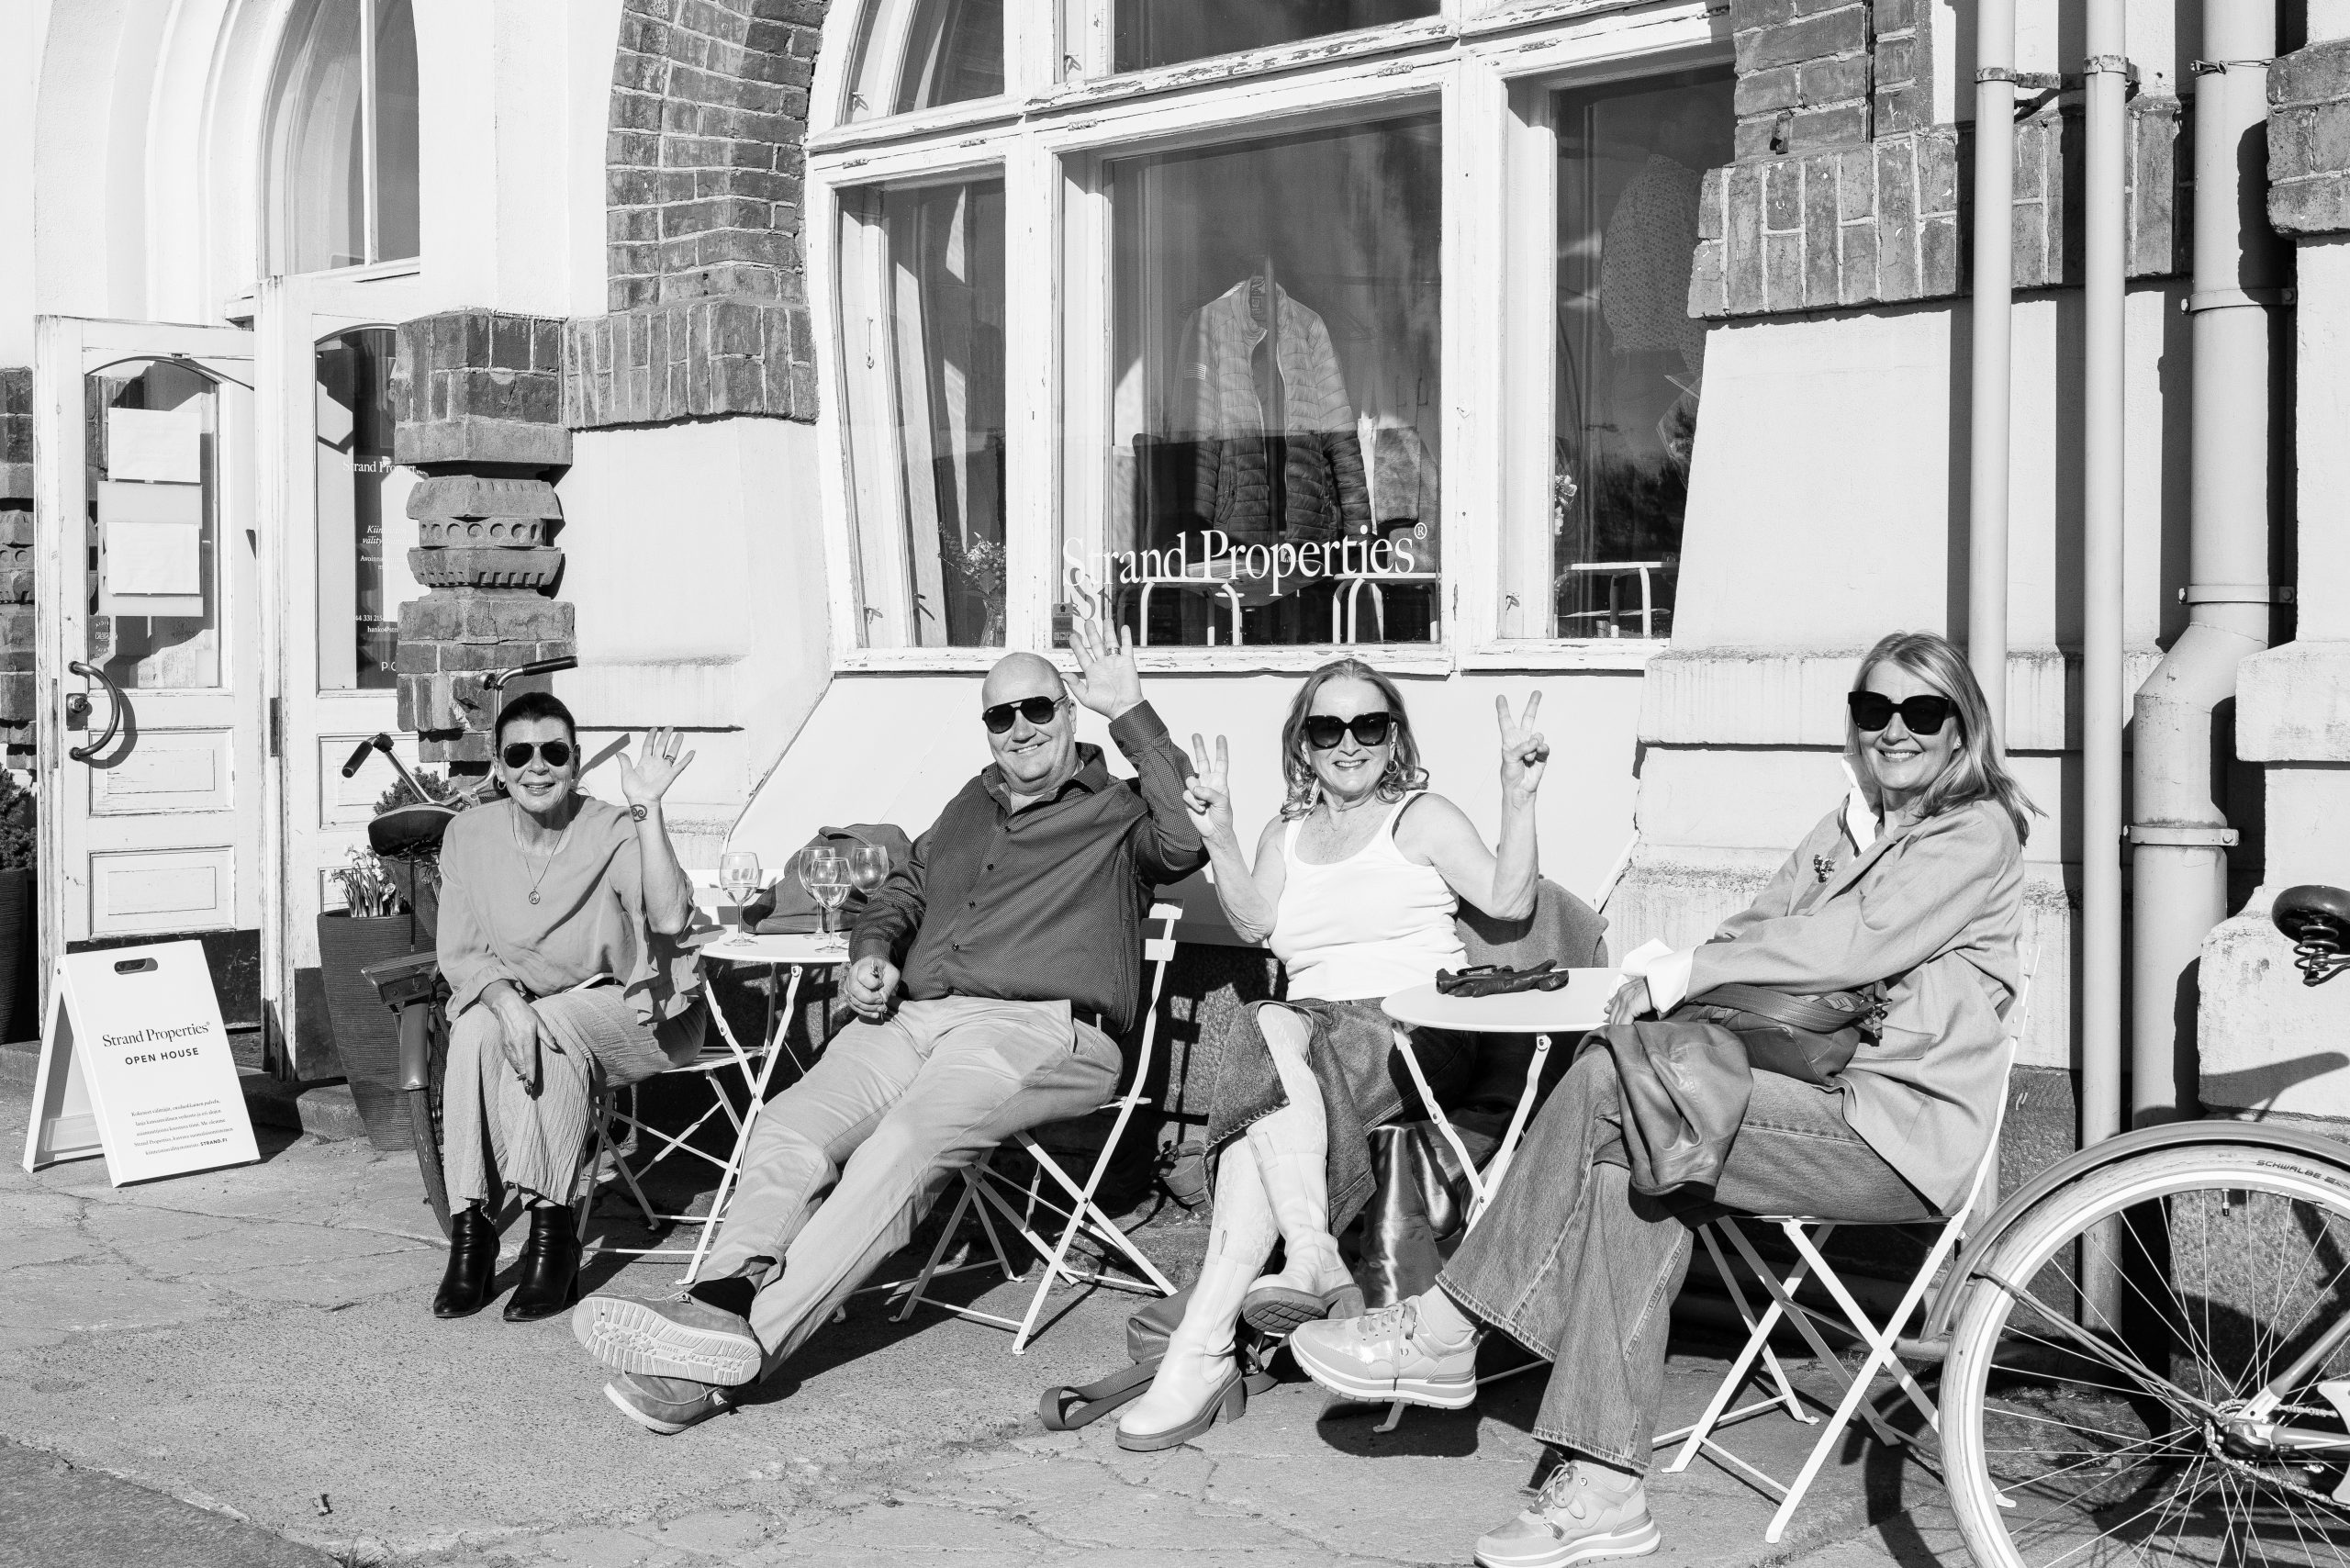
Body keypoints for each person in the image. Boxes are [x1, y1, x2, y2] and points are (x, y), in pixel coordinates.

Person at [1290, 630, 2031, 1568]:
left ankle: (1447, 1326)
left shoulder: (1973, 831)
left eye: (1921, 711)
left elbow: (1851, 944)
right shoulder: (1851, 823)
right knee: (1629, 1161)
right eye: (1872, 708)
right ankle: (1606, 1489)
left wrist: (1688, 974)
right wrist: (1684, 964)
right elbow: (1754, 925)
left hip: (1892, 1131)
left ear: (1962, 727)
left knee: (1614, 1080)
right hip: (1802, 1094)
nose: (1895, 729)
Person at [572, 622, 1206, 1434]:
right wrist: (871, 952)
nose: (1021, 728)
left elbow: (1188, 840)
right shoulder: (970, 803)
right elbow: (902, 890)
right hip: (914, 1018)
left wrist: (1133, 713)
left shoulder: (1116, 809)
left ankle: (737, 1351)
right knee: (790, 1123)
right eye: (1001, 715)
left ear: (1070, 711)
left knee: (905, 1143)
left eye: (1038, 708)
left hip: (1037, 1027)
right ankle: (722, 1295)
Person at [1115, 657, 1550, 1450]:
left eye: (1368, 725)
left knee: (1265, 1029)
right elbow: (1254, 924)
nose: (1349, 743)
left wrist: (1517, 794)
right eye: (1327, 728)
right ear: (1303, 743)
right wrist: (1220, 835)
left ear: (1394, 737)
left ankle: (1230, 1327)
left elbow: (1509, 899)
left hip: (1414, 1032)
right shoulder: (1283, 834)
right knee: (1270, 1060)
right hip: (1311, 1034)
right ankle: (1245, 1309)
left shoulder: (1421, 818)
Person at [431, 691, 707, 1323]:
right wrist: (507, 1003)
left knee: (550, 1026)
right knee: (474, 1028)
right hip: (536, 1005)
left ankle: (553, 1237)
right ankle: (472, 1233)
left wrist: (648, 807)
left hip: (645, 1009)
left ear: (576, 762)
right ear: (497, 767)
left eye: (554, 752)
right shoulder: (469, 835)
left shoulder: (612, 828)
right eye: (519, 754)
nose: (537, 766)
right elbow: (464, 955)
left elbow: (668, 917)